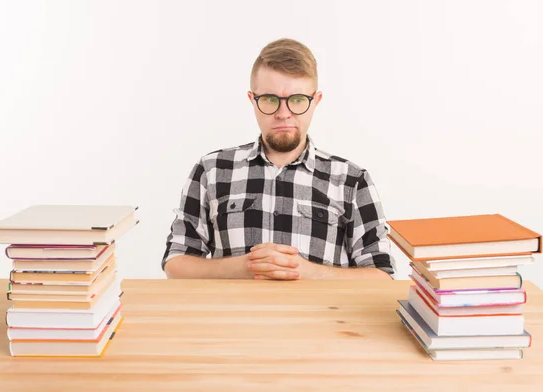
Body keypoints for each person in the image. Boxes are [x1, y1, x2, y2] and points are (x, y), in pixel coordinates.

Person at [162, 38, 395, 280]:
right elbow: (176, 263)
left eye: (297, 100)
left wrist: (304, 271)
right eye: (270, 100)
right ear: (253, 100)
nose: (283, 114)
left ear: (316, 101)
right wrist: (248, 266)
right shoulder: (211, 170)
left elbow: (383, 276)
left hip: (319, 318)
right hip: (234, 317)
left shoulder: (352, 180)